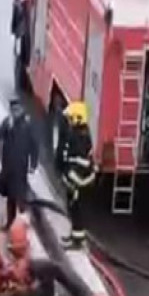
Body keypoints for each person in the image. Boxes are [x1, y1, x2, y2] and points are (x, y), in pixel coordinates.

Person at [0, 99, 38, 228]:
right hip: (8, 166)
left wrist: (33, 164)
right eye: (13, 110)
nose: (15, 112)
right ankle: (10, 222)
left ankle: (23, 223)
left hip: (20, 166)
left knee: (20, 195)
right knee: (10, 197)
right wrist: (7, 125)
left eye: (17, 109)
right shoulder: (8, 122)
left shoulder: (27, 125)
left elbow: (34, 146)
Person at [60, 101, 96, 250]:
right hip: (75, 180)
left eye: (70, 118)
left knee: (77, 210)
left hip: (79, 182)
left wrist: (73, 183)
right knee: (72, 209)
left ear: (77, 118)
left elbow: (81, 163)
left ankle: (77, 241)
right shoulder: (79, 133)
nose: (69, 121)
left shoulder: (80, 137)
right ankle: (74, 235)